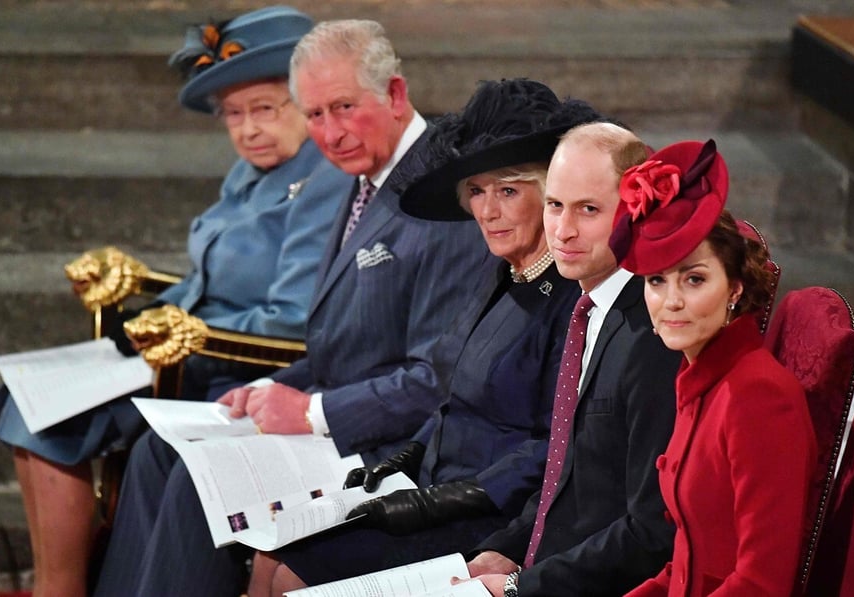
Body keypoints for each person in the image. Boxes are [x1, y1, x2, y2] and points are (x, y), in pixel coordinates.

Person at [92, 19, 488, 596]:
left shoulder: (437, 197)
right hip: (342, 415)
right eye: (315, 115)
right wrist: (267, 391)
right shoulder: (364, 175)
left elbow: (436, 380)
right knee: (158, 451)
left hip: (398, 446)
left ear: (396, 95)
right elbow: (342, 347)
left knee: (200, 480)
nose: (331, 132)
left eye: (346, 107)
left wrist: (309, 413)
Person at [0, 7, 350, 597]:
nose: (247, 128)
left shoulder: (325, 177)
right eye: (232, 114)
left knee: (45, 416)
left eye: (263, 109)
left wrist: (180, 329)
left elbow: (294, 317)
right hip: (188, 343)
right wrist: (151, 317)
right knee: (25, 398)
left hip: (238, 363)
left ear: (305, 102)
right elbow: (206, 279)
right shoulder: (250, 173)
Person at [247, 77, 601, 595]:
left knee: (290, 579)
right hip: (433, 488)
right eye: (477, 192)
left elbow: (553, 447)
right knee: (267, 552)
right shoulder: (499, 273)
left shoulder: (572, 300)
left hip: (494, 515)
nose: (488, 210)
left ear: (551, 196)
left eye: (508, 190)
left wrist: (446, 498)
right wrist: (406, 459)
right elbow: (450, 395)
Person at [465, 122, 681, 597]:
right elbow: (569, 476)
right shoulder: (586, 307)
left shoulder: (653, 336)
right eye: (554, 205)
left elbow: (651, 530)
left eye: (588, 210)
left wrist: (525, 585)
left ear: (634, 213)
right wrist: (508, 546)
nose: (563, 231)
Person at [613, 140, 816, 596]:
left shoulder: (758, 395)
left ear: (735, 290)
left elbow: (761, 583)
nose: (672, 301)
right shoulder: (699, 380)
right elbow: (687, 565)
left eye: (695, 278)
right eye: (657, 281)